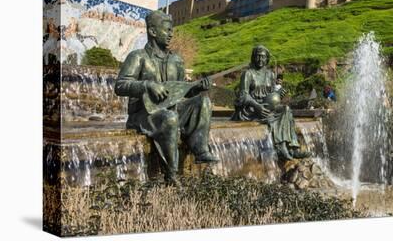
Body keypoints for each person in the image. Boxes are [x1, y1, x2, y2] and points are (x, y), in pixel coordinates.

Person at [115, 11, 218, 186]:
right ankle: (171, 175)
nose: (171, 34)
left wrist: (196, 89)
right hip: (143, 114)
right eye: (167, 30)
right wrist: (147, 85)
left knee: (203, 102)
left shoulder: (176, 60)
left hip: (171, 110)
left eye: (172, 31)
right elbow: (120, 85)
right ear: (153, 31)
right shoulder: (138, 57)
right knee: (169, 118)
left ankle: (200, 149)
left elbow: (180, 92)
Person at [232, 45, 310, 161]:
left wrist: (279, 94)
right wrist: (257, 106)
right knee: (278, 117)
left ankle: (293, 147)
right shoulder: (248, 74)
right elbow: (243, 95)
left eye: (263, 57)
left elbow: (272, 94)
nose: (260, 59)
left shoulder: (270, 74)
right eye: (258, 56)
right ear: (253, 57)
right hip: (253, 109)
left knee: (286, 110)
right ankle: (281, 146)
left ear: (267, 59)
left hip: (268, 107)